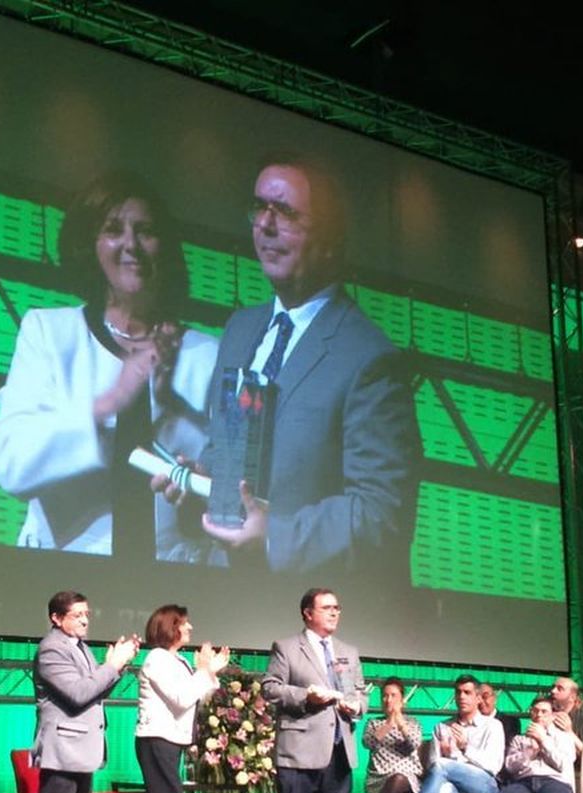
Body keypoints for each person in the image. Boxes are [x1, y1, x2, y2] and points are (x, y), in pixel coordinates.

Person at [156, 154, 419, 577]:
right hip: (223, 595)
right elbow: (226, 448)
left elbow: (380, 512)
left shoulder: (369, 358)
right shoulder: (240, 329)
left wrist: (274, 537)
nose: (265, 225)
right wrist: (201, 479)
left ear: (330, 237)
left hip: (306, 609)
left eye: (286, 213)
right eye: (260, 208)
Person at [0, 172, 218, 561]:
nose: (131, 244)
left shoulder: (207, 355)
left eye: (145, 230)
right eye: (113, 230)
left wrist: (202, 483)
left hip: (176, 581)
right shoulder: (49, 332)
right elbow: (11, 465)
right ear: (90, 245)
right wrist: (110, 402)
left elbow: (231, 486)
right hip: (64, 576)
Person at [28, 590, 139, 793]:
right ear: (56, 618)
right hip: (63, 751)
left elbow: (96, 690)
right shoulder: (51, 649)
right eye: (77, 615)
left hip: (83, 751)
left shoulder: (81, 648)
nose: (85, 620)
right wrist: (112, 665)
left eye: (87, 614)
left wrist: (118, 665)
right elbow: (78, 693)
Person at [261, 588, 366, 793]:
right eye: (327, 607)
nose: (334, 613)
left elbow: (360, 693)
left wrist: (357, 705)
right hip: (299, 750)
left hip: (338, 749)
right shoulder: (288, 647)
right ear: (308, 612)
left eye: (337, 607)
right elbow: (270, 688)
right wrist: (306, 696)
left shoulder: (349, 651)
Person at [134, 604, 229, 793]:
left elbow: (199, 696)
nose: (189, 628)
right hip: (155, 740)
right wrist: (205, 671)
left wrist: (208, 673)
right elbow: (181, 697)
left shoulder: (178, 662)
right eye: (184, 624)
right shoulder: (157, 659)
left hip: (169, 741)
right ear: (169, 627)